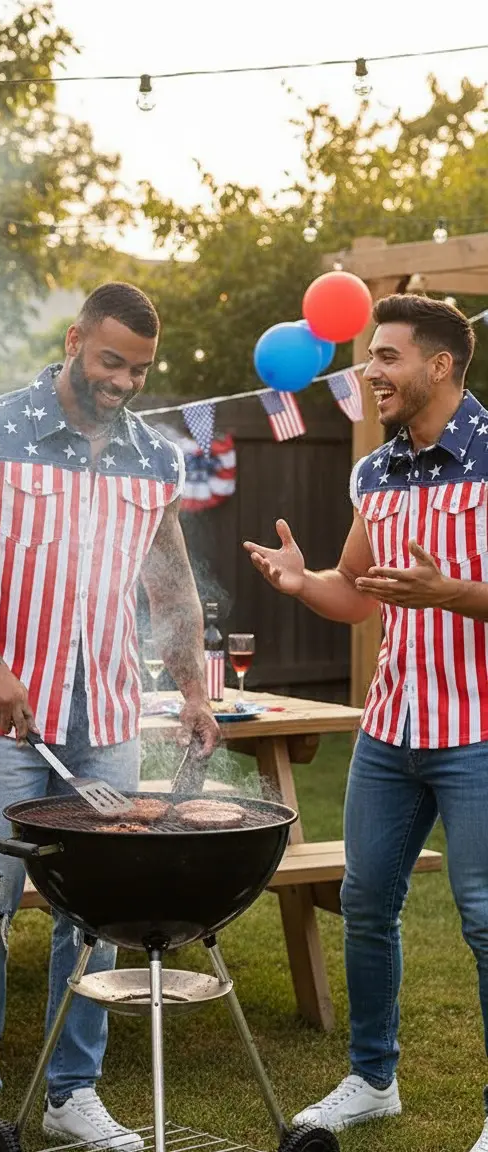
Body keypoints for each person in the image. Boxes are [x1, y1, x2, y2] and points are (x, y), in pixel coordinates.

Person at [0, 282, 220, 1152]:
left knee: (100, 910)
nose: (123, 381)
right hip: (1, 718)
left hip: (109, 712)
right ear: (75, 339)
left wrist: (192, 685)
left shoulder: (156, 458)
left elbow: (171, 585)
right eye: (111, 360)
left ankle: (72, 1092)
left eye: (141, 369)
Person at [244, 294, 488, 1151]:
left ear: (440, 365)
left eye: (385, 357)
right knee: (365, 901)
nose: (369, 373)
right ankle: (372, 1079)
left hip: (480, 732)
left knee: (485, 917)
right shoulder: (375, 472)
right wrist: (302, 581)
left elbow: (448, 596)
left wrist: (456, 594)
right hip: (391, 729)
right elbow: (356, 592)